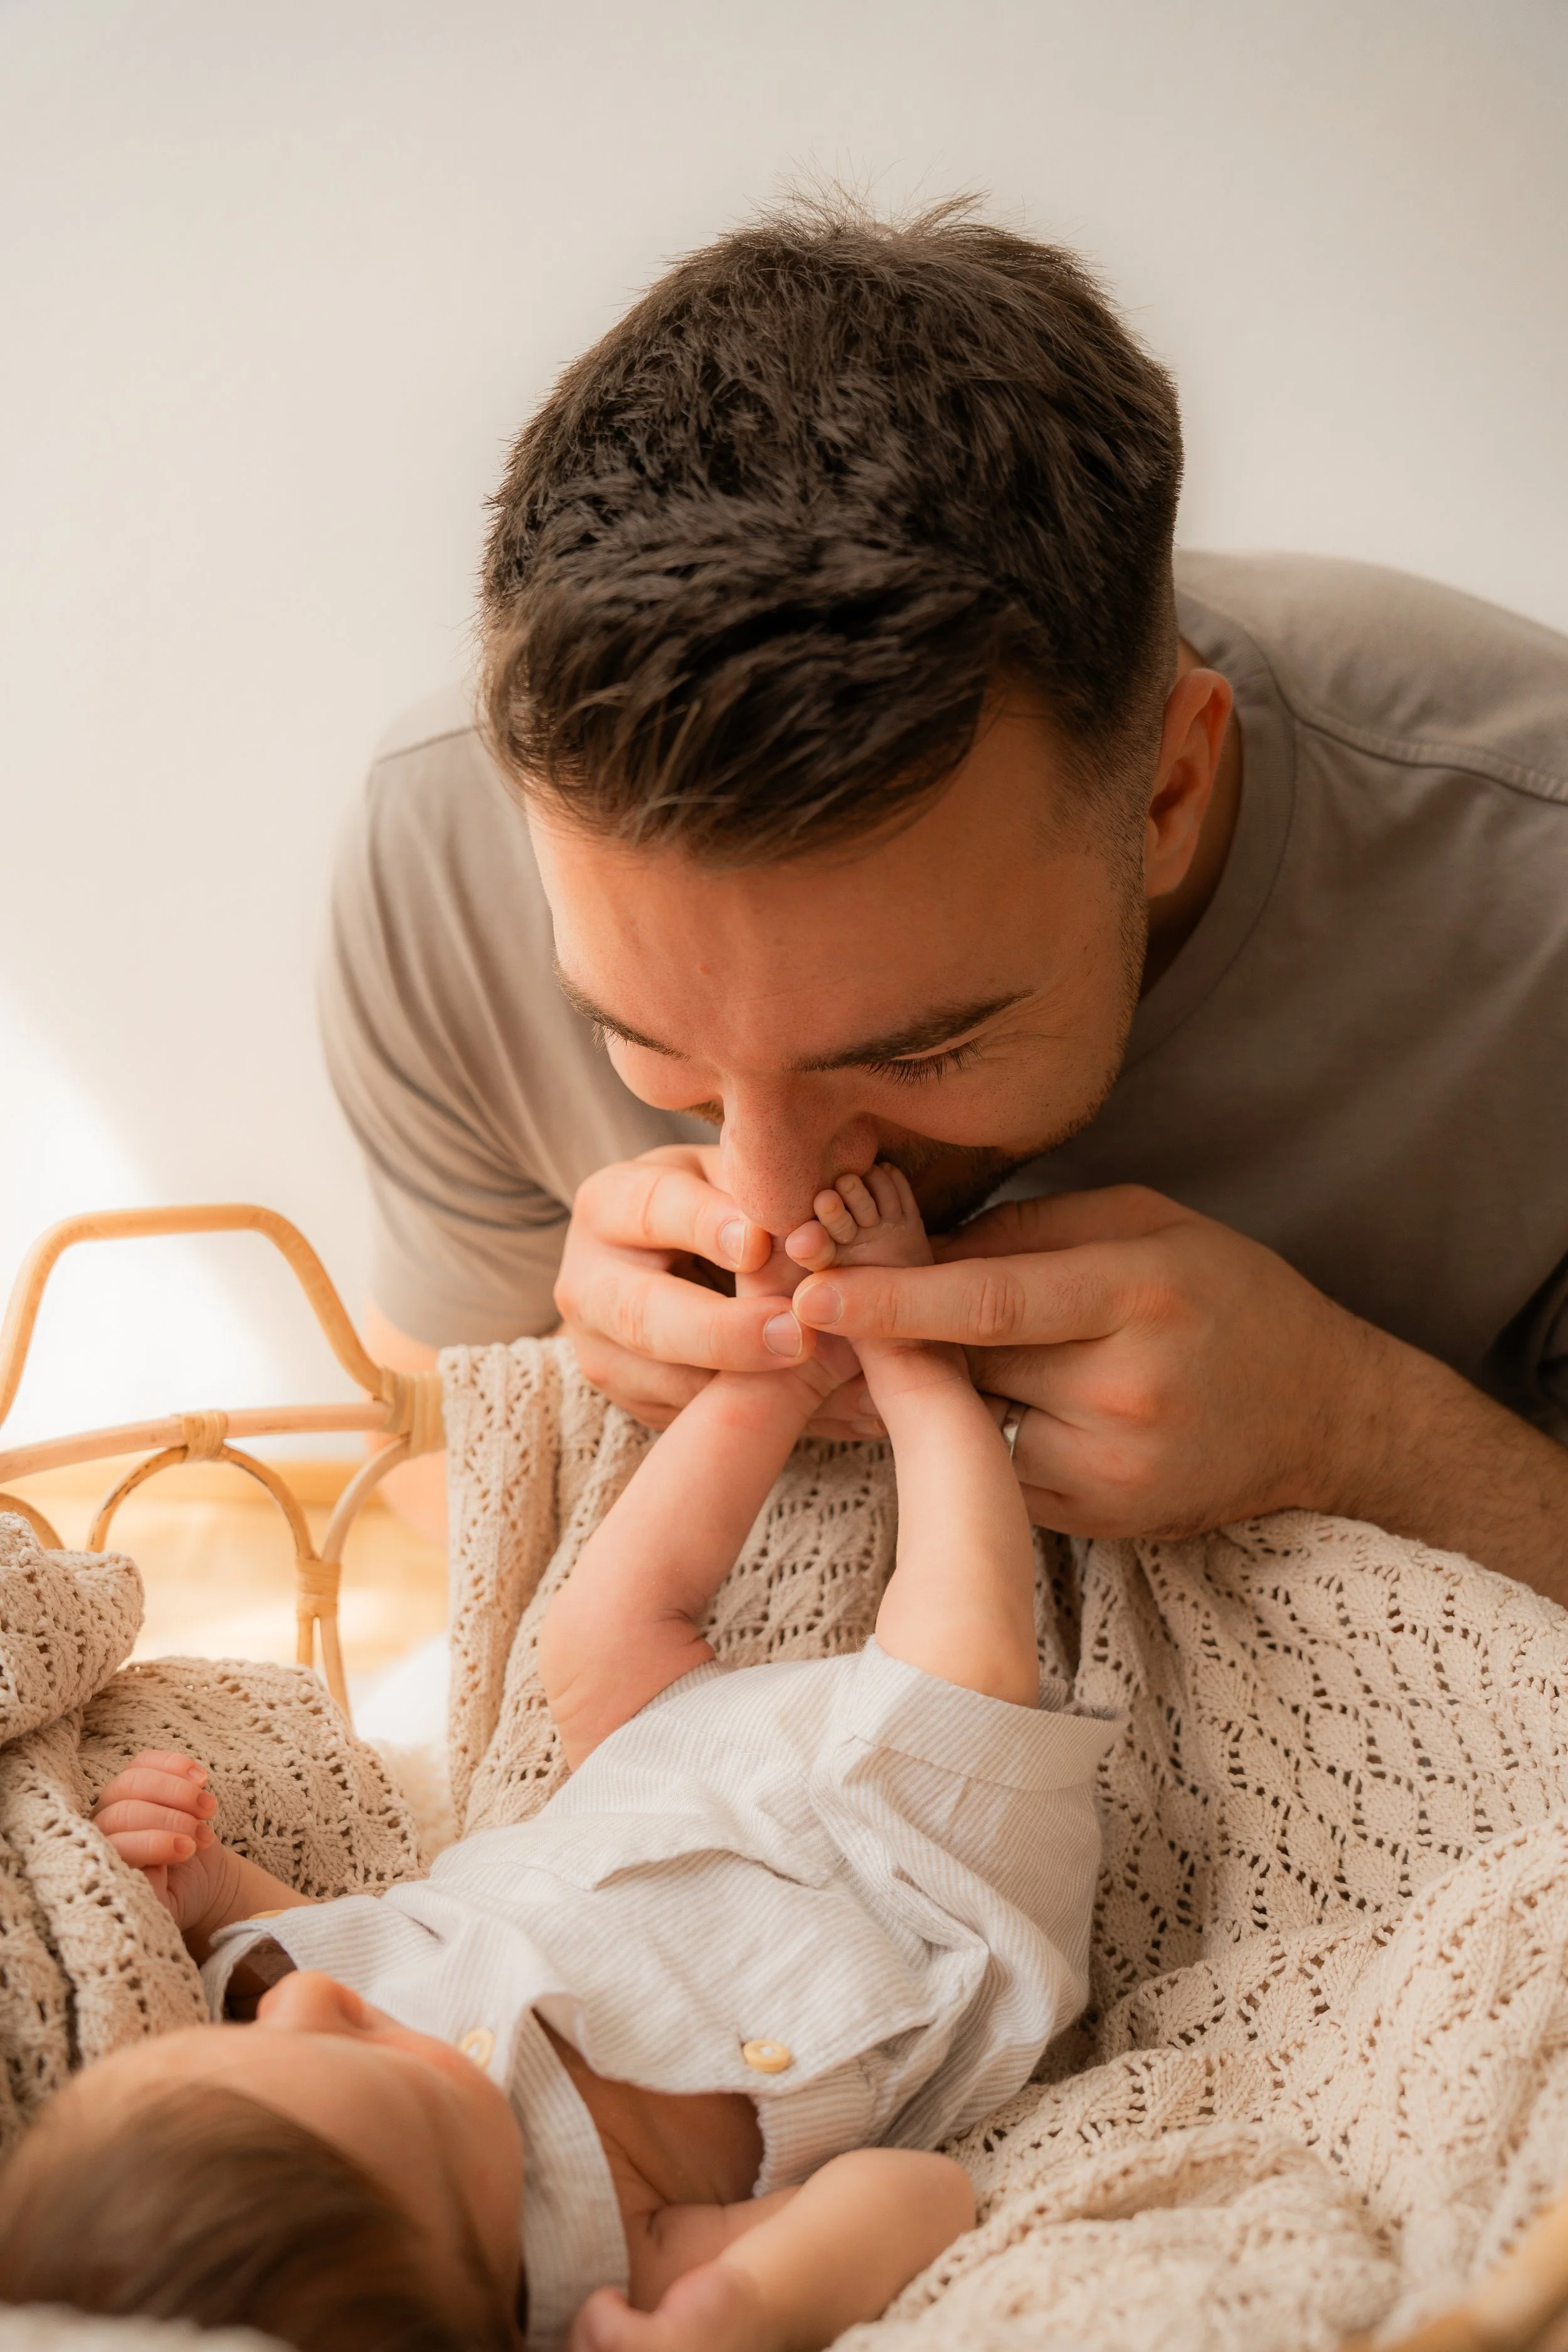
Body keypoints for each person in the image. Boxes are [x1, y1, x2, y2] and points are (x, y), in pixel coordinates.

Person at [320, 196, 1568, 1597]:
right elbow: (417, 1479)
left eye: (918, 1050)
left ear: (1166, 792)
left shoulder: (1533, 899)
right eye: (650, 1042)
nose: (775, 1197)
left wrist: (1352, 1432)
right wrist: (575, 1395)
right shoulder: (436, 846)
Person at [0, 1168, 1115, 2352]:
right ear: (481, 2274)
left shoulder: (323, 2022)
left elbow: (339, 1942)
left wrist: (210, 1883)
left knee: (590, 1637)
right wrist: (749, 2304)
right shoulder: (616, 2266)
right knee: (964, 1659)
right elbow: (923, 2197)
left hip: (664, 1776)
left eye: (262, 2036)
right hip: (902, 1882)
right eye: (373, 2051)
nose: (311, 2001)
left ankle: (777, 1370)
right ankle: (917, 1365)